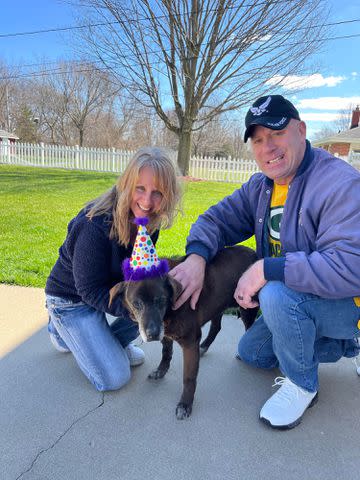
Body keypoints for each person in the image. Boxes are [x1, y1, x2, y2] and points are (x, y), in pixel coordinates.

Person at [170, 95, 360, 429]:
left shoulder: (339, 184)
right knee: (252, 354)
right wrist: (197, 256)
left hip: (348, 302)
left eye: (276, 134)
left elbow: (348, 267)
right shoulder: (261, 187)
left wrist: (266, 269)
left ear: (301, 130)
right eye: (258, 139)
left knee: (274, 294)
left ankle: (303, 385)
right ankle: (347, 345)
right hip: (296, 301)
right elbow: (215, 220)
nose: (267, 147)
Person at [45, 147, 182, 392]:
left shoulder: (149, 222)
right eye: (140, 188)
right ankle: (60, 331)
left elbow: (139, 279)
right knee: (116, 376)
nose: (147, 202)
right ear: (126, 184)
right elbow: (87, 290)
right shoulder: (94, 225)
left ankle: (94, 342)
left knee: (154, 305)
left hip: (106, 289)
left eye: (157, 193)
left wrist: (152, 303)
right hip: (71, 299)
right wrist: (137, 312)